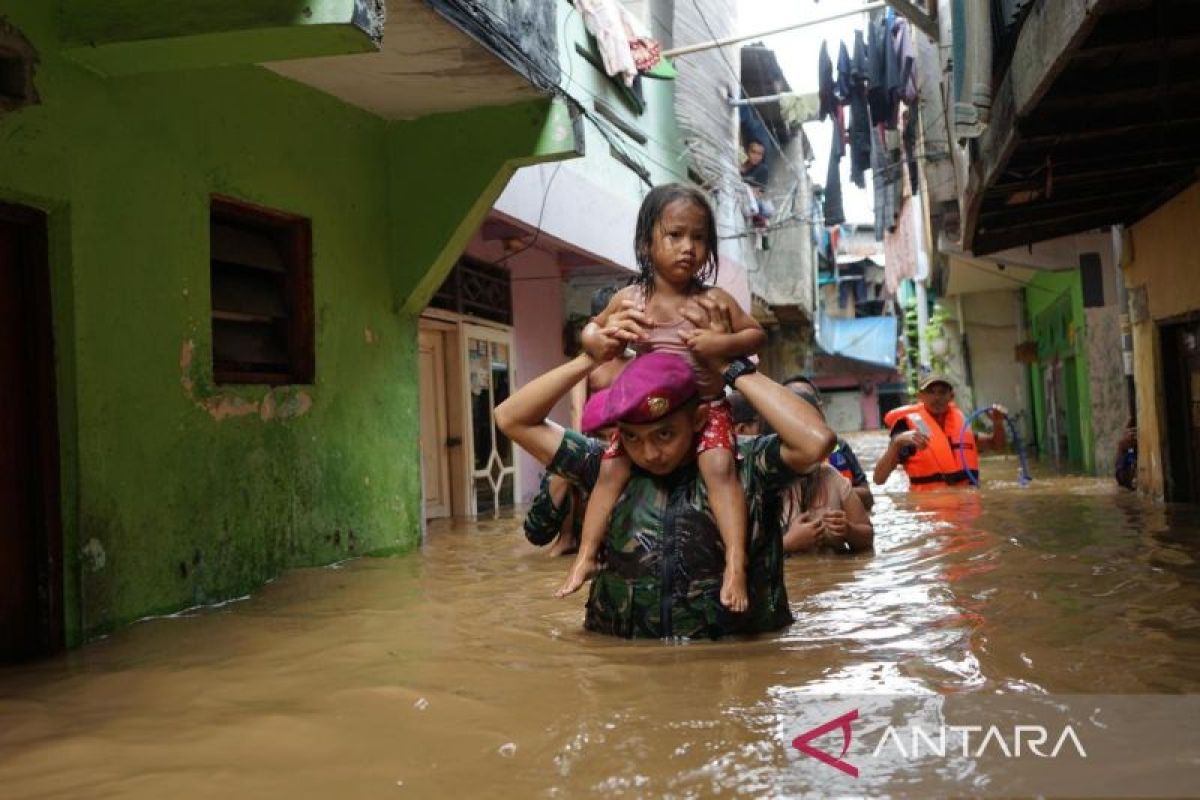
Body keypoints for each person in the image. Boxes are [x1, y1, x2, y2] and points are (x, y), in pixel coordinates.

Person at [493, 299, 836, 639]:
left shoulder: (744, 463)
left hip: (730, 667)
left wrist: (729, 366)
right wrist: (590, 358)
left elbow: (816, 441)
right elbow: (511, 417)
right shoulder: (608, 465)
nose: (650, 452)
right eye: (633, 437)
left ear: (698, 419)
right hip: (623, 668)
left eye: (665, 434)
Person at [563, 184, 767, 614]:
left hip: (706, 409)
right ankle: (584, 556)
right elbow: (590, 331)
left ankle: (734, 564)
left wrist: (720, 342)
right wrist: (602, 335)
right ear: (645, 243)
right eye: (675, 236)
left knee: (718, 467)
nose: (688, 248)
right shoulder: (631, 299)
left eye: (698, 238)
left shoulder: (713, 300)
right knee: (609, 470)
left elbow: (755, 334)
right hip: (647, 418)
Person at [730, 388, 873, 554]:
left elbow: (868, 537)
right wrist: (787, 544)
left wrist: (849, 531)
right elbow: (737, 556)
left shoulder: (830, 476)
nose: (810, 447)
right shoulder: (755, 483)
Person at [873, 374, 1007, 490]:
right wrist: (896, 443)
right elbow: (879, 479)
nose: (937, 397)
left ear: (951, 396)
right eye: (931, 392)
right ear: (921, 396)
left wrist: (998, 423)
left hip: (966, 506)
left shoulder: (960, 426)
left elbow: (997, 446)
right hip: (929, 510)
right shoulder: (906, 429)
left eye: (942, 392)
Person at [780, 375, 874, 512]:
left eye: (808, 400)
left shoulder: (838, 446)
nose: (802, 408)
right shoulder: (771, 455)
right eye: (794, 401)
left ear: (819, 407)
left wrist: (838, 490)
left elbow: (868, 499)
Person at [740, 140, 774, 225]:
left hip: (752, 201)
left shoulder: (762, 169)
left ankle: (760, 219)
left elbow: (759, 193)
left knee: (765, 208)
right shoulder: (740, 164)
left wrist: (747, 188)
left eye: (759, 154)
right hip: (741, 197)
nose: (756, 156)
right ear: (747, 152)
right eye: (753, 152)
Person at [1115, 416, 1137, 490]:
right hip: (1122, 472)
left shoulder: (1130, 444)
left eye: (1134, 433)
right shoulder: (1126, 444)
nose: (1132, 435)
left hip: (1122, 473)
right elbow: (1130, 458)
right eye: (1130, 432)